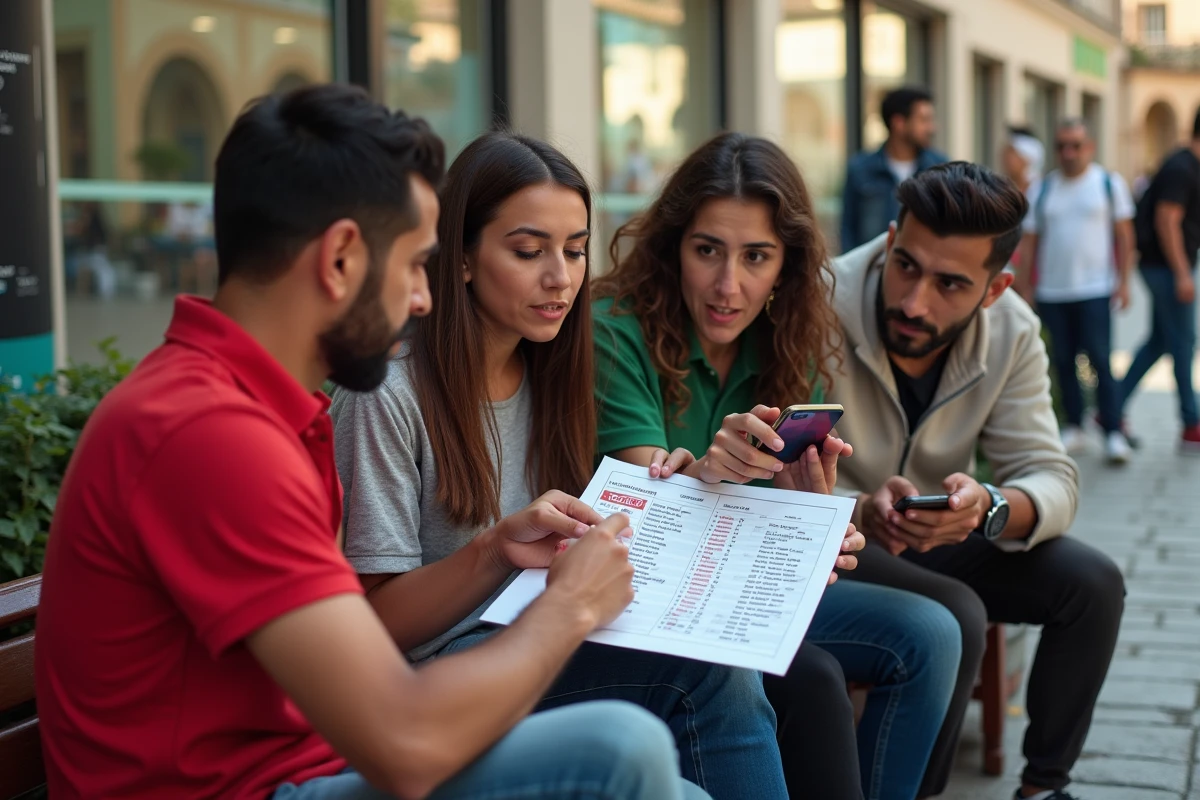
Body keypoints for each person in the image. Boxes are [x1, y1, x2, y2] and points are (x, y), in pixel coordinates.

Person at [34, 85, 706, 800]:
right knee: (619, 753)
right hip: (263, 787)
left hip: (312, 765)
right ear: (341, 260)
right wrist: (571, 607)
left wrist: (494, 552)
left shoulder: (258, 409)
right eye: (415, 263)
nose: (424, 297)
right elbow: (406, 744)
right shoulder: (208, 434)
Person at [329, 130, 780, 800]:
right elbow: (374, 626)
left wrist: (686, 486)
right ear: (461, 258)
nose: (561, 278)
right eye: (528, 251)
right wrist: (495, 551)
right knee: (711, 679)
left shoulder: (556, 373)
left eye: (574, 250)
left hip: (544, 638)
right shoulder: (386, 398)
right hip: (439, 683)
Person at [593, 131, 962, 800]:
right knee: (816, 681)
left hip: (741, 578)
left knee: (935, 631)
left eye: (756, 257)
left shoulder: (787, 335)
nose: (727, 285)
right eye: (707, 250)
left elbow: (781, 509)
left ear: (786, 265)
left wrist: (812, 515)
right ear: (673, 245)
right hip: (653, 594)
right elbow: (650, 489)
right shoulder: (613, 330)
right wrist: (709, 471)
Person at [828, 162, 1125, 800]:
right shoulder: (819, 299)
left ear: (995, 289)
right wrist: (858, 509)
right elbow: (769, 469)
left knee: (1093, 585)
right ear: (889, 240)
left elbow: (1051, 475)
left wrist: (989, 507)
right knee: (956, 614)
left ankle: (1043, 788)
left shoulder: (1013, 330)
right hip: (834, 538)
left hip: (937, 533)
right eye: (906, 266)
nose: (914, 302)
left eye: (950, 284)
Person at [1015, 118, 1136, 463]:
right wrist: (1025, 287)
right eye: (1062, 146)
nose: (1069, 153)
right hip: (1052, 291)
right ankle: (1074, 426)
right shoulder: (1043, 189)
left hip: (1095, 288)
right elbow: (1030, 241)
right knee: (1063, 360)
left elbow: (1125, 235)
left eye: (1076, 145)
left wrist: (1124, 282)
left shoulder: (1108, 184)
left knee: (1100, 360)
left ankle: (1113, 430)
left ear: (1090, 147)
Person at [1121, 106, 1200, 451]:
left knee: (1160, 342)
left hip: (1166, 267)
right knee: (1183, 342)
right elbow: (1167, 221)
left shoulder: (1187, 165)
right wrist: (1183, 274)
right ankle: (1192, 423)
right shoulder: (1182, 168)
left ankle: (1110, 408)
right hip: (1165, 269)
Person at [841, 86, 948, 253]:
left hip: (924, 266)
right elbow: (848, 230)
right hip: (873, 266)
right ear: (899, 123)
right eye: (924, 120)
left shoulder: (940, 169)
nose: (931, 128)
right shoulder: (860, 169)